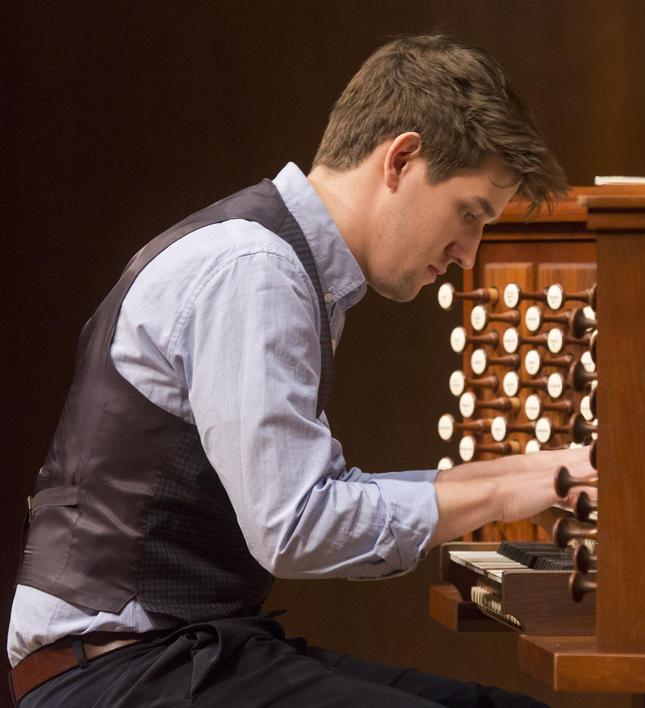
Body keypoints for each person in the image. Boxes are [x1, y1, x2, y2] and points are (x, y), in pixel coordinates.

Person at [8, 34, 596, 707]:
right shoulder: (255, 270)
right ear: (400, 159)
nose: (469, 252)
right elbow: (296, 526)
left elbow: (313, 494)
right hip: (114, 675)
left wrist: (544, 471)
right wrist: (512, 489)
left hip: (178, 654)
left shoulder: (282, 264)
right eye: (469, 214)